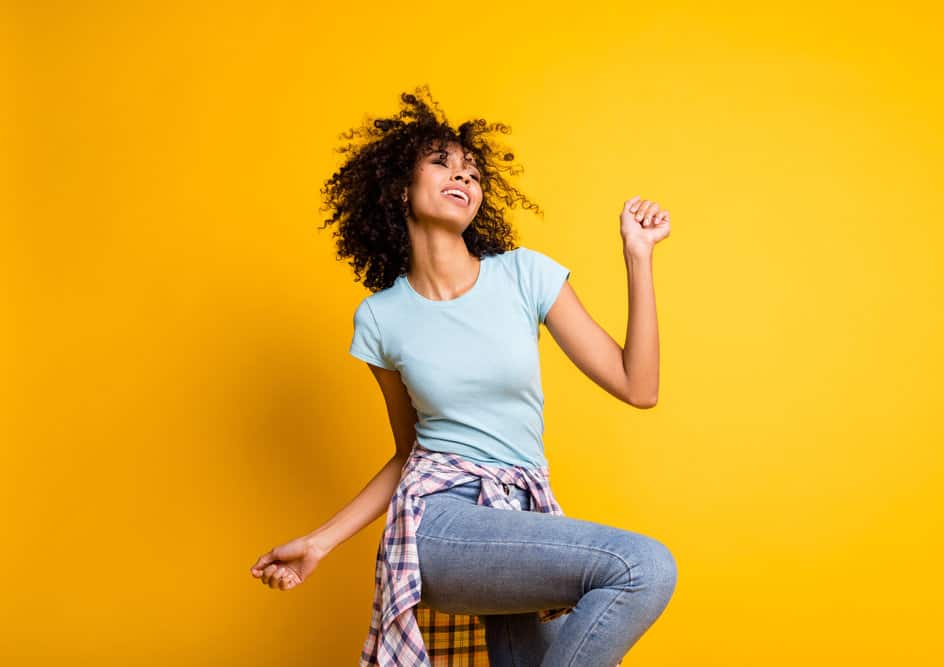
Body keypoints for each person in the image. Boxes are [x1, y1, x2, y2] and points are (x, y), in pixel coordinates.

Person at [250, 85, 677, 666]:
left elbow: (638, 386)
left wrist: (638, 256)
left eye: (473, 173)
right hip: (437, 522)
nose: (464, 178)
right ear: (400, 188)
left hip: (521, 516)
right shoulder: (380, 317)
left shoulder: (525, 276)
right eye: (442, 163)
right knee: (642, 567)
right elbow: (408, 454)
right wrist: (319, 542)